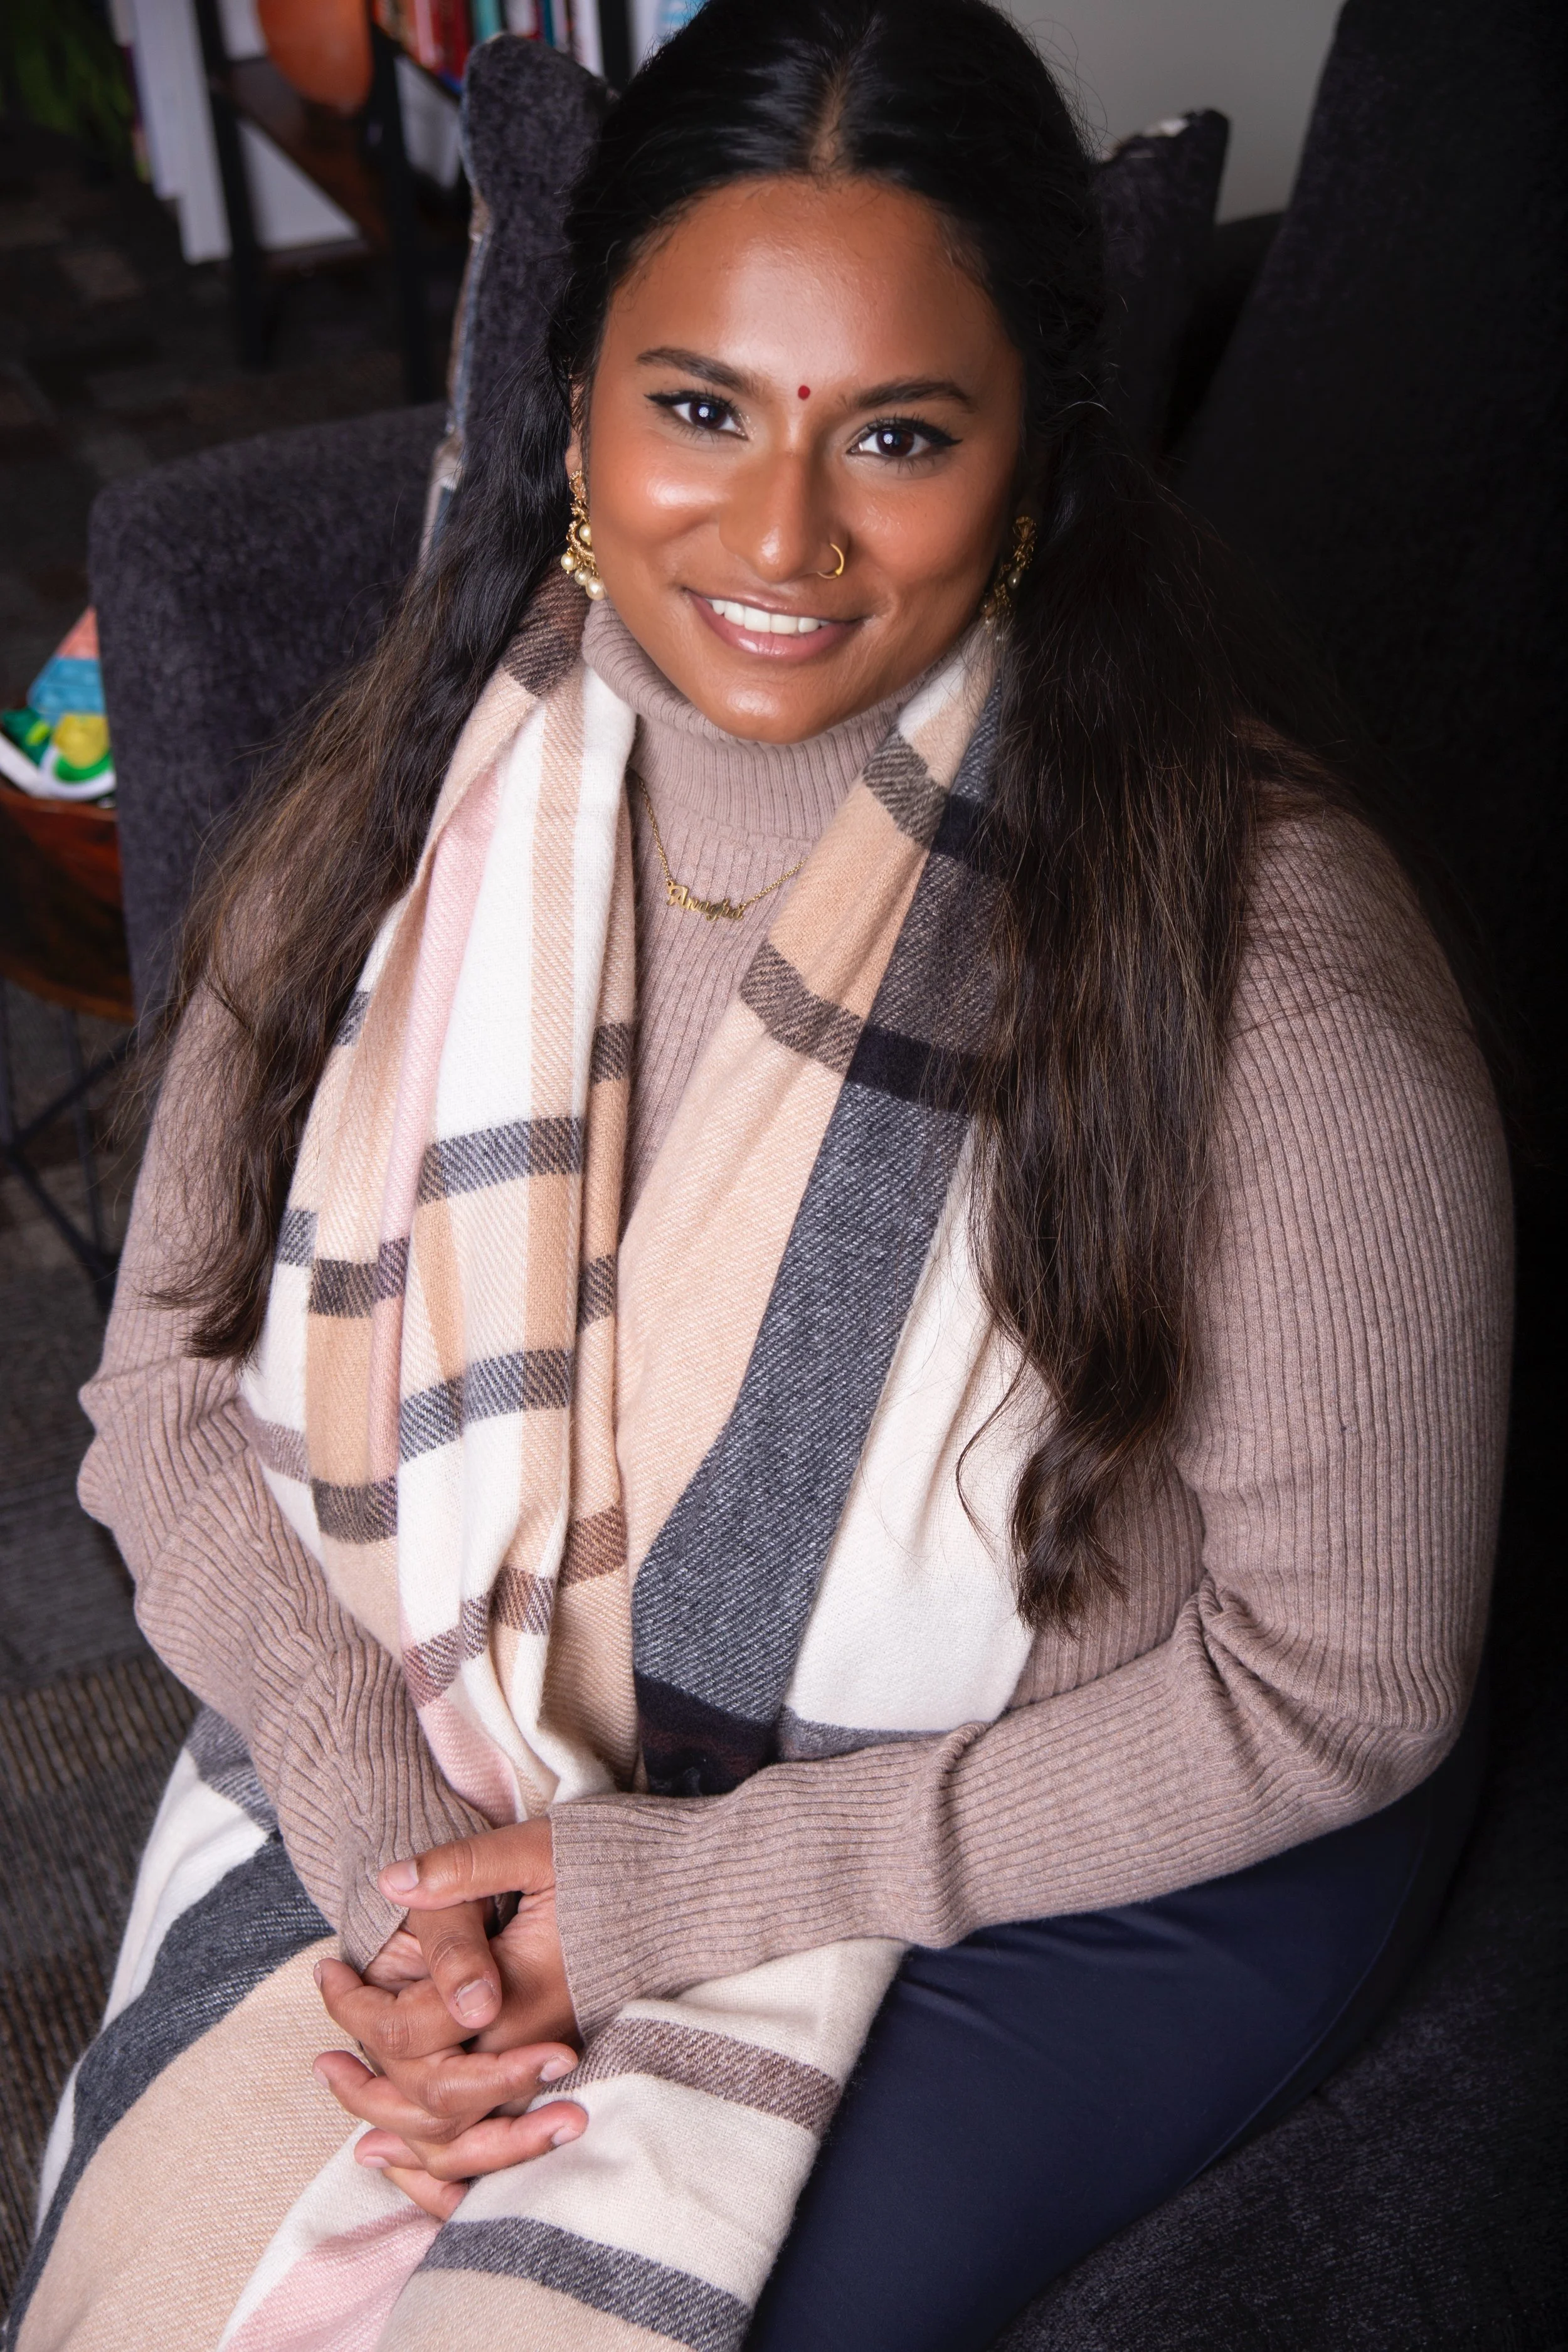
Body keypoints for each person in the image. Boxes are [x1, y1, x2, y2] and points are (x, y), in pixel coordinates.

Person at [13, 3, 1509, 2347]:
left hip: (1072, 1839)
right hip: (480, 1763)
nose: (781, 533)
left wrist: (654, 1900)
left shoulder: (1266, 970)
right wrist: (398, 1865)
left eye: (895, 434)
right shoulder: (418, 799)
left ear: (1036, 452)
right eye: (700, 407)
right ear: (581, 400)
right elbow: (163, 1397)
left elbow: (1340, 1681)